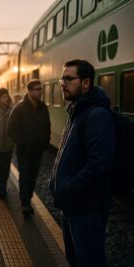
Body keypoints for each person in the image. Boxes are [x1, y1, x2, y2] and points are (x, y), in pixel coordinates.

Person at [49, 59, 116, 266]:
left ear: (86, 83)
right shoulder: (77, 111)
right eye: (62, 78)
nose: (62, 83)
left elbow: (99, 165)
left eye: (69, 78)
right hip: (72, 207)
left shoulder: (96, 115)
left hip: (86, 210)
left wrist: (68, 188)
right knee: (75, 260)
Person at [7, 79, 50, 215]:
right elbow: (11, 128)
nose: (40, 91)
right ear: (30, 91)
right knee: (25, 176)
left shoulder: (43, 107)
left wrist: (45, 142)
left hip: (37, 150)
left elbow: (47, 127)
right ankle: (25, 204)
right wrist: (22, 141)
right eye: (37, 89)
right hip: (24, 150)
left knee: (33, 176)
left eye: (41, 89)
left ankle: (28, 199)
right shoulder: (19, 108)